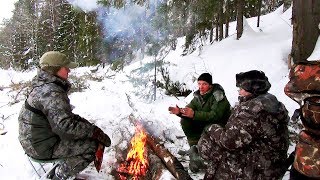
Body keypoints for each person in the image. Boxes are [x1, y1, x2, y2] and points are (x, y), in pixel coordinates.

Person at [18, 51, 111, 180]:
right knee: (91, 146)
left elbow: (66, 117)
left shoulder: (44, 85)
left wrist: (92, 128)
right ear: (54, 69)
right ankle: (58, 176)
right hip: (40, 146)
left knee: (85, 136)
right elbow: (66, 128)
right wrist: (94, 133)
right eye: (66, 67)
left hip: (36, 140)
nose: (69, 71)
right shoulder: (51, 92)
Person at [198, 70, 289, 179]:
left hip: (262, 169)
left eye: (241, 89)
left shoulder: (253, 110)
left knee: (210, 145)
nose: (239, 92)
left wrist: (211, 128)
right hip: (271, 160)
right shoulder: (268, 100)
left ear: (252, 90)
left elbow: (229, 142)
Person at [168, 73, 231, 172]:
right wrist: (180, 112)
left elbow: (215, 116)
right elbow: (189, 110)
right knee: (185, 121)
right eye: (199, 84)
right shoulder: (198, 96)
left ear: (210, 85)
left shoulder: (218, 96)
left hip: (219, 126)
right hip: (205, 123)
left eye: (204, 84)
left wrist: (194, 114)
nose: (201, 87)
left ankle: (205, 156)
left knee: (209, 126)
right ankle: (194, 150)